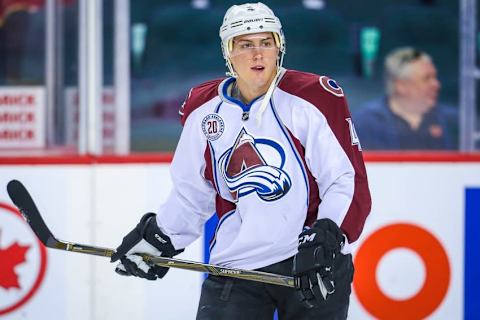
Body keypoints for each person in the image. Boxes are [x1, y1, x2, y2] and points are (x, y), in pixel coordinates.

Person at [111, 3, 371, 319]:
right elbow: (193, 193)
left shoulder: (312, 98)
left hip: (311, 259)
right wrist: (161, 236)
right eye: (245, 45)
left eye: (266, 43)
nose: (257, 54)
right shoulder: (203, 109)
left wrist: (328, 237)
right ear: (228, 52)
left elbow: (344, 179)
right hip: (237, 264)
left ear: (280, 47)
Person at [353, 47, 458, 150]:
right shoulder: (365, 123)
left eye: (435, 77)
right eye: (427, 78)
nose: (436, 84)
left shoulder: (452, 122)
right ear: (400, 85)